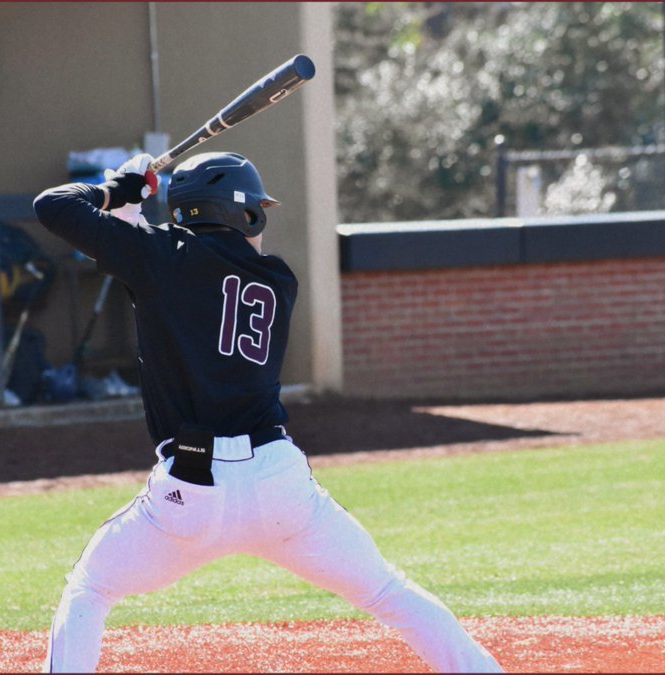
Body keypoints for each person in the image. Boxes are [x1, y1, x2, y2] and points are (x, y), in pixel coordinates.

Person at [31, 151, 504, 673]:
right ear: (244, 213)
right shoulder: (278, 278)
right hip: (280, 485)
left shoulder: (159, 256)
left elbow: (54, 207)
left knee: (91, 588)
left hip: (190, 491)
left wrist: (118, 190)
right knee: (388, 591)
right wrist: (133, 209)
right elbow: (158, 271)